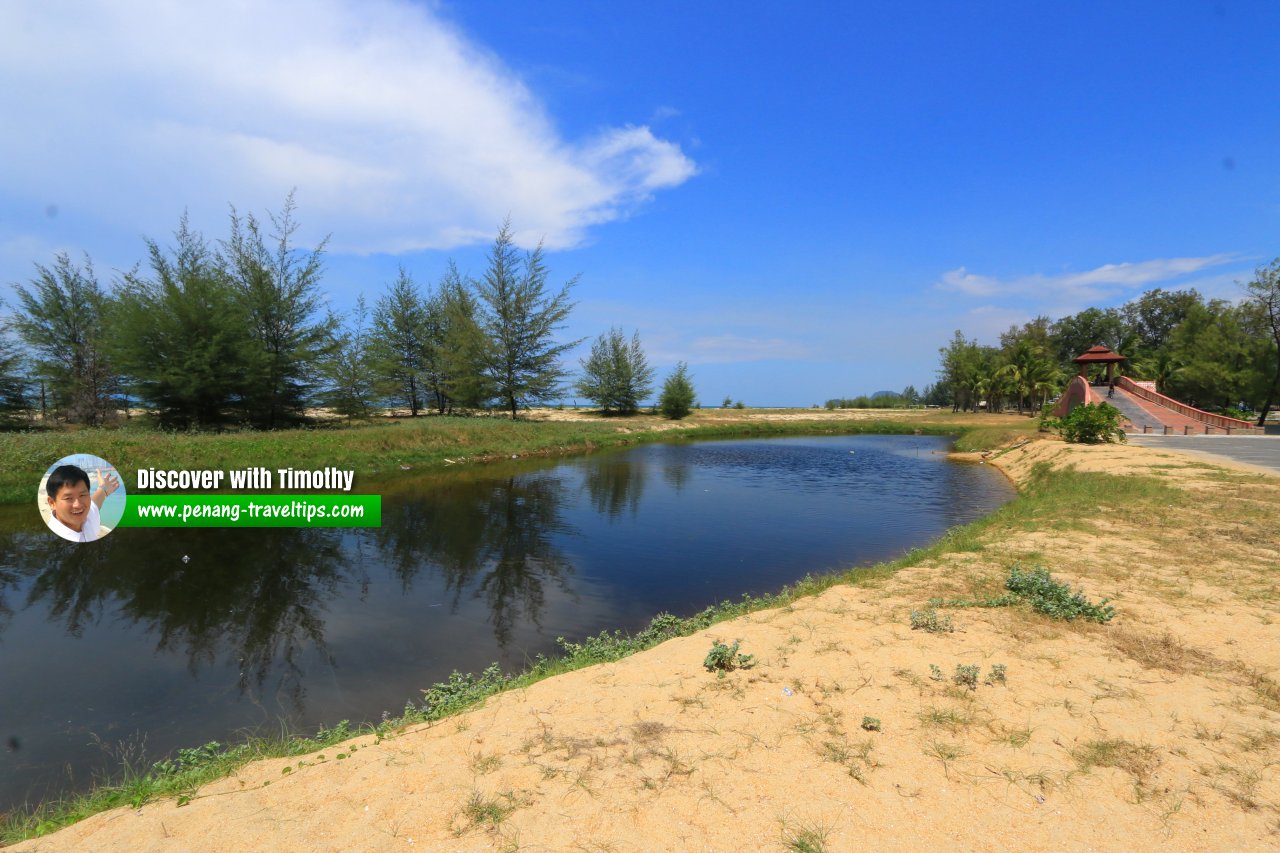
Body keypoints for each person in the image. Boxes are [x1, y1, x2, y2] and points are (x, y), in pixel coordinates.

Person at [44, 464, 119, 543]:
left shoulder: (88, 516)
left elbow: (95, 502)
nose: (78, 505)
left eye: (82, 495)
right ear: (52, 503)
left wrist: (103, 489)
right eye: (68, 498)